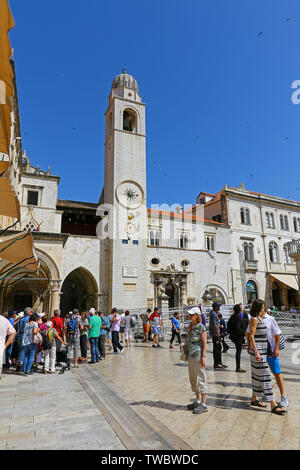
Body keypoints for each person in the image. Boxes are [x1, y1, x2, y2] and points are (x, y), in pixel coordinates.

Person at [246, 301, 289, 408]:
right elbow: (248, 334)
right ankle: (260, 399)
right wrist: (249, 347)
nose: (264, 308)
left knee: (276, 372)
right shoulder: (254, 319)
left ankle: (283, 396)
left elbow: (277, 334)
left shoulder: (270, 319)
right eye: (263, 307)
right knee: (261, 374)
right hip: (260, 352)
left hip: (271, 351)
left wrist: (276, 348)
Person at [185, 307, 208, 414]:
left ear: (197, 316)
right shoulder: (190, 327)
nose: (190, 316)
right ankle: (197, 401)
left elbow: (204, 343)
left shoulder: (201, 327)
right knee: (193, 378)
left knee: (201, 378)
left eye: (192, 315)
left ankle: (203, 404)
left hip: (198, 356)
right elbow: (187, 341)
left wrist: (203, 357)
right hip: (190, 356)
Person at [227, 304, 247, 372]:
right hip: (238, 337)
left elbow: (228, 326)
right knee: (238, 352)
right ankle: (238, 367)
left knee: (238, 352)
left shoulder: (232, 316)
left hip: (234, 336)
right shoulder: (238, 317)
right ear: (239, 310)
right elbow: (238, 328)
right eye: (241, 308)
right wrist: (244, 332)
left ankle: (238, 367)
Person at [209, 302, 227, 369]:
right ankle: (217, 363)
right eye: (218, 306)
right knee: (217, 349)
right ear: (215, 307)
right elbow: (214, 324)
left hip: (215, 334)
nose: (219, 308)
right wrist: (218, 334)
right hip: (216, 334)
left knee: (218, 348)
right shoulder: (214, 314)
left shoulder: (213, 313)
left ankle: (219, 362)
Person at [16, 307, 32, 372]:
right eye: (31, 312)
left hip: (20, 336)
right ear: (29, 313)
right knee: (24, 352)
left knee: (20, 351)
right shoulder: (28, 319)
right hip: (25, 337)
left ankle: (19, 364)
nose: (32, 313)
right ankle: (21, 366)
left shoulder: (21, 319)